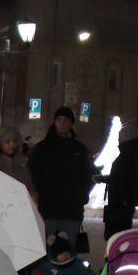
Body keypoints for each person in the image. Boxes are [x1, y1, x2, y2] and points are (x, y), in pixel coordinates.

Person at [26, 106, 95, 251]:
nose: (62, 123)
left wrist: (82, 197)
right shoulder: (42, 149)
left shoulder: (79, 149)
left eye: (66, 120)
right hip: (49, 209)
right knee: (48, 251)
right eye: (59, 119)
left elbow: (87, 176)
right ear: (54, 122)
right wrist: (40, 194)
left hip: (72, 210)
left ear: (71, 123)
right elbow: (32, 174)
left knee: (69, 253)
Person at [102, 121, 138, 243]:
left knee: (116, 239)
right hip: (124, 204)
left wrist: (105, 179)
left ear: (126, 138)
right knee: (120, 238)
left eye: (120, 136)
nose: (118, 139)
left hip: (119, 205)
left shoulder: (128, 155)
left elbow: (122, 179)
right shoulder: (135, 154)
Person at [0, 125, 34, 194]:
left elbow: (30, 187)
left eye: (14, 141)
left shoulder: (21, 164)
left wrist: (33, 196)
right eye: (7, 141)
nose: (12, 144)